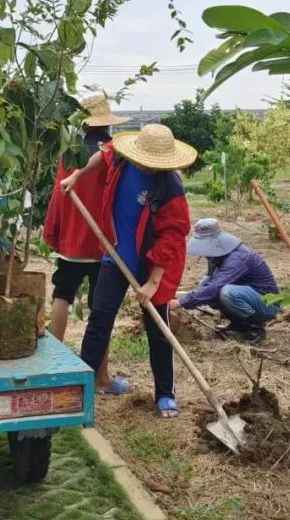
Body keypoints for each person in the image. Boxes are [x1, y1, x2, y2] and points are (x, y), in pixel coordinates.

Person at [61, 124, 195, 419]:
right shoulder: (122, 158)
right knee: (99, 320)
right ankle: (82, 388)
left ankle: (164, 394)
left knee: (158, 330)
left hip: (152, 266)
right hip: (115, 257)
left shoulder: (169, 187)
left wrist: (153, 283)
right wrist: (78, 174)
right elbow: (103, 154)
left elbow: (172, 235)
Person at [43, 92, 130, 394]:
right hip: (102, 242)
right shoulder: (114, 154)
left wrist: (53, 231)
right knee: (100, 310)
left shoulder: (70, 152)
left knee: (62, 295)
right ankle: (101, 377)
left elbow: (58, 193)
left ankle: (53, 368)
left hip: (71, 239)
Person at [169, 218, 280, 342]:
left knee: (226, 292)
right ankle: (239, 325)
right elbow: (210, 286)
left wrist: (180, 302)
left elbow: (215, 288)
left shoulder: (237, 258)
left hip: (267, 303)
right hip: (248, 296)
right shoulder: (216, 257)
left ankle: (255, 328)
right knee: (205, 283)